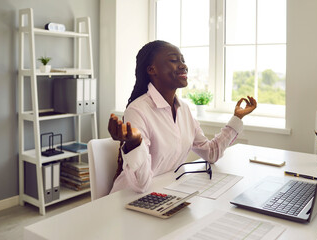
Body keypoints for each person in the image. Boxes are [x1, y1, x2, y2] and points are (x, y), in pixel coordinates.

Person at [108, 40, 257, 193]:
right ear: (152, 70)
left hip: (163, 192)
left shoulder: (184, 109)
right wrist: (135, 143)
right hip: (128, 197)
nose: (183, 65)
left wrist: (237, 118)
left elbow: (211, 153)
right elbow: (141, 185)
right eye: (173, 60)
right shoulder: (138, 110)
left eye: (183, 60)